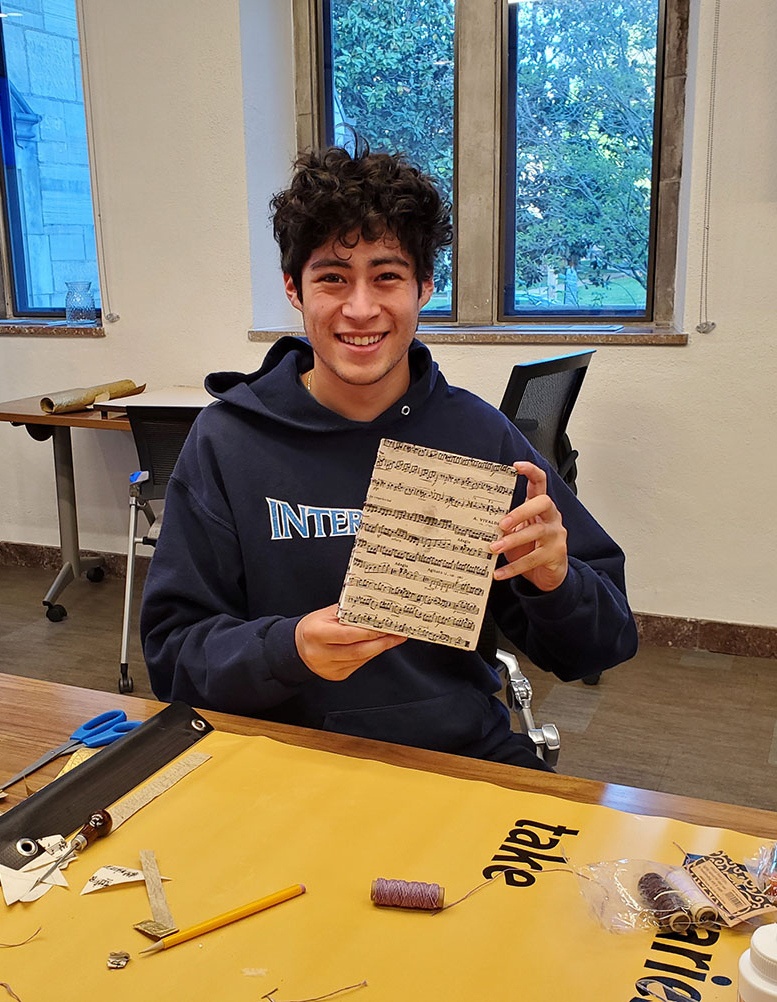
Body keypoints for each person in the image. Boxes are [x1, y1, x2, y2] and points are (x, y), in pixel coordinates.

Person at [141, 145, 638, 771]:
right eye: (332, 277)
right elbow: (171, 658)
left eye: (386, 276)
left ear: (424, 287)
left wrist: (556, 581)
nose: (360, 308)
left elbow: (601, 647)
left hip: (457, 756)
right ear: (294, 289)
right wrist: (289, 649)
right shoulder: (227, 442)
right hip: (282, 759)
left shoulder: (478, 438)